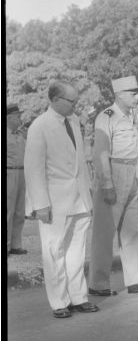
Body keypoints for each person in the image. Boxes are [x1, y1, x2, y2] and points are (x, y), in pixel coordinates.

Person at [24, 81, 99, 318]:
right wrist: (40, 204)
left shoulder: (74, 122)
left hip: (79, 199)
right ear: (55, 100)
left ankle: (78, 297)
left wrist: (88, 197)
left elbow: (80, 163)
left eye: (76, 101)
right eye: (71, 101)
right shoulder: (40, 126)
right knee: (54, 251)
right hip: (54, 201)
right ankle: (59, 302)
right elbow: (33, 168)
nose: (75, 106)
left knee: (77, 251)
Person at [88, 76, 138, 296]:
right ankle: (98, 284)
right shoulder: (106, 116)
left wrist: (134, 178)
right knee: (104, 232)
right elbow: (100, 154)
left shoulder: (129, 117)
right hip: (112, 172)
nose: (137, 97)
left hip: (129, 172)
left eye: (137, 93)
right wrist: (108, 184)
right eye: (133, 93)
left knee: (132, 231)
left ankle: (135, 281)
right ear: (119, 95)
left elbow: (130, 151)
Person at [6, 103, 27, 255]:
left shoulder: (21, 135)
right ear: (10, 118)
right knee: (7, 210)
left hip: (21, 173)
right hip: (8, 174)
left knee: (20, 211)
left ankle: (15, 244)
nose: (20, 120)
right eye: (18, 117)